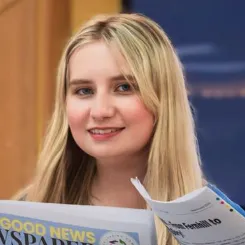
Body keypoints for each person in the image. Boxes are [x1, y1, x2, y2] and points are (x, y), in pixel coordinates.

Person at [15, 13, 204, 245]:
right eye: (84, 91)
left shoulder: (213, 224)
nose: (100, 111)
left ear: (164, 99)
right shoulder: (23, 214)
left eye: (124, 87)